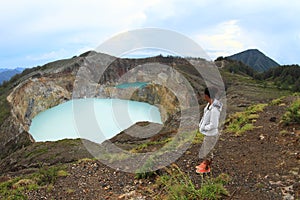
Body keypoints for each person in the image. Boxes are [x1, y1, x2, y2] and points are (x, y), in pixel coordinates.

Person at [196, 87, 223, 173]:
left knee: (207, 150)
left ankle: (206, 168)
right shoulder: (209, 105)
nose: (204, 96)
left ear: (207, 96)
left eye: (205, 95)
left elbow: (214, 124)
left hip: (211, 133)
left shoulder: (214, 109)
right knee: (206, 149)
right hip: (208, 133)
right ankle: (205, 164)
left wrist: (204, 128)